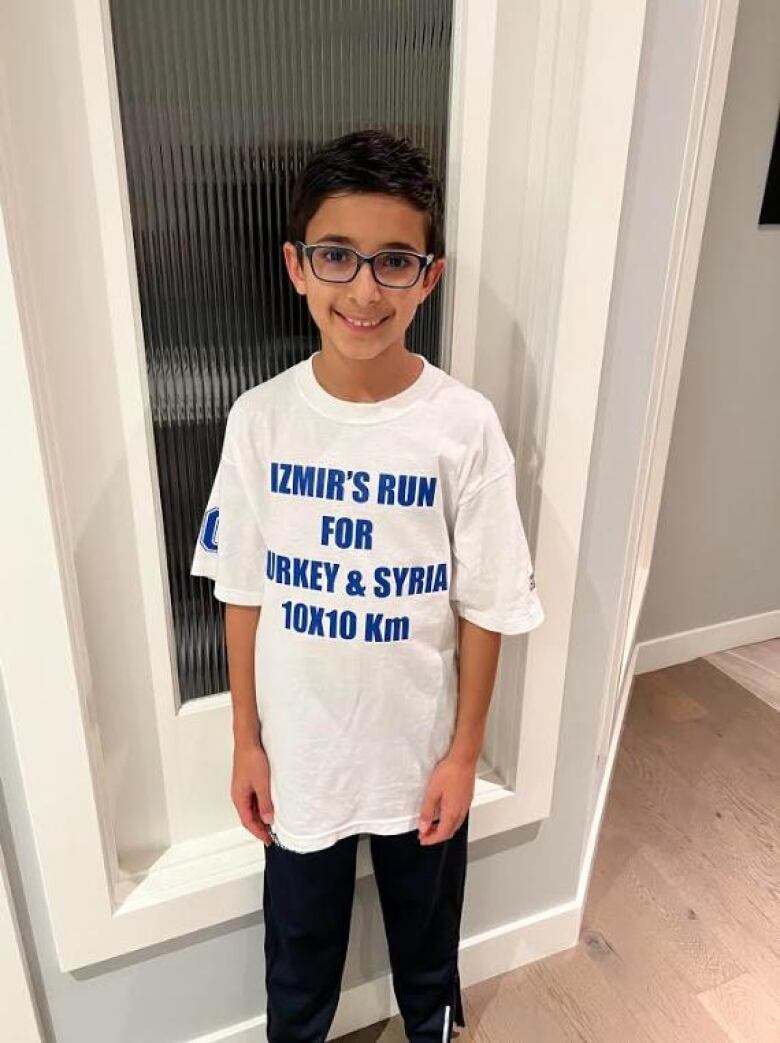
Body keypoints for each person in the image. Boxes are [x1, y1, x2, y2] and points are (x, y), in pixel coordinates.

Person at [190, 127, 545, 1042]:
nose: (363, 289)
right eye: (337, 256)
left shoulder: (463, 426)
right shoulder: (260, 420)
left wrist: (464, 755)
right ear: (297, 266)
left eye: (394, 262)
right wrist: (246, 741)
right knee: (299, 945)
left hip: (421, 754)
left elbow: (488, 604)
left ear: (428, 276)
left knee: (427, 937)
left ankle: (431, 1025)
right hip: (302, 757)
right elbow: (242, 590)